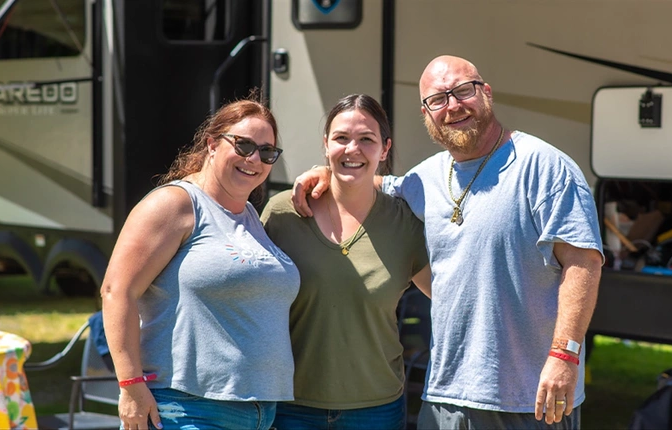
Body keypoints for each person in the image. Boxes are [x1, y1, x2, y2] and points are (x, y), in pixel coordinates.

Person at [292, 56, 603, 429]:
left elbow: (584, 263)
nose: (453, 106)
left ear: (486, 93)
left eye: (463, 91)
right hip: (444, 397)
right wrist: (326, 171)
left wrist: (564, 356)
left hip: (529, 397)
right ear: (426, 114)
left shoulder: (544, 167)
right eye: (438, 99)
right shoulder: (426, 178)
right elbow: (375, 184)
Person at [101, 97, 300, 430]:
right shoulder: (176, 203)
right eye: (244, 145)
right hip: (188, 409)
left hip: (260, 413)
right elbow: (116, 291)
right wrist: (130, 386)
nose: (254, 159)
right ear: (211, 143)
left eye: (267, 152)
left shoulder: (248, 214)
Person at [261, 94, 431, 430]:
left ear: (384, 149)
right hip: (291, 406)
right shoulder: (283, 214)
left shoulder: (405, 223)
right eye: (341, 138)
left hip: (376, 409)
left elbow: (449, 297)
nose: (352, 149)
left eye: (366, 139)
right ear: (326, 145)